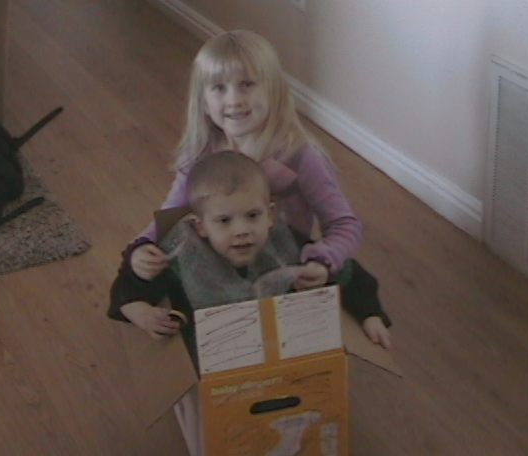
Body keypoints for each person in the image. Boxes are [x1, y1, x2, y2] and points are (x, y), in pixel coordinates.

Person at [118, 28, 366, 307]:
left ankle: (371, 319)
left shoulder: (300, 156)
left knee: (354, 280)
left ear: (273, 91)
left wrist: (323, 260)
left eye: (247, 84)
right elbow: (170, 216)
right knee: (138, 275)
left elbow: (344, 224)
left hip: (285, 267)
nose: (234, 100)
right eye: (219, 88)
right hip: (219, 262)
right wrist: (142, 247)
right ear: (203, 102)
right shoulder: (200, 154)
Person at [108, 150, 392, 353]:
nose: (242, 230)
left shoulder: (285, 244)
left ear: (270, 214)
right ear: (201, 226)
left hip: (277, 346)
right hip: (212, 353)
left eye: (253, 215)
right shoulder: (185, 253)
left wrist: (370, 314)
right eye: (224, 221)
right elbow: (127, 287)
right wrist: (142, 313)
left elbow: (349, 273)